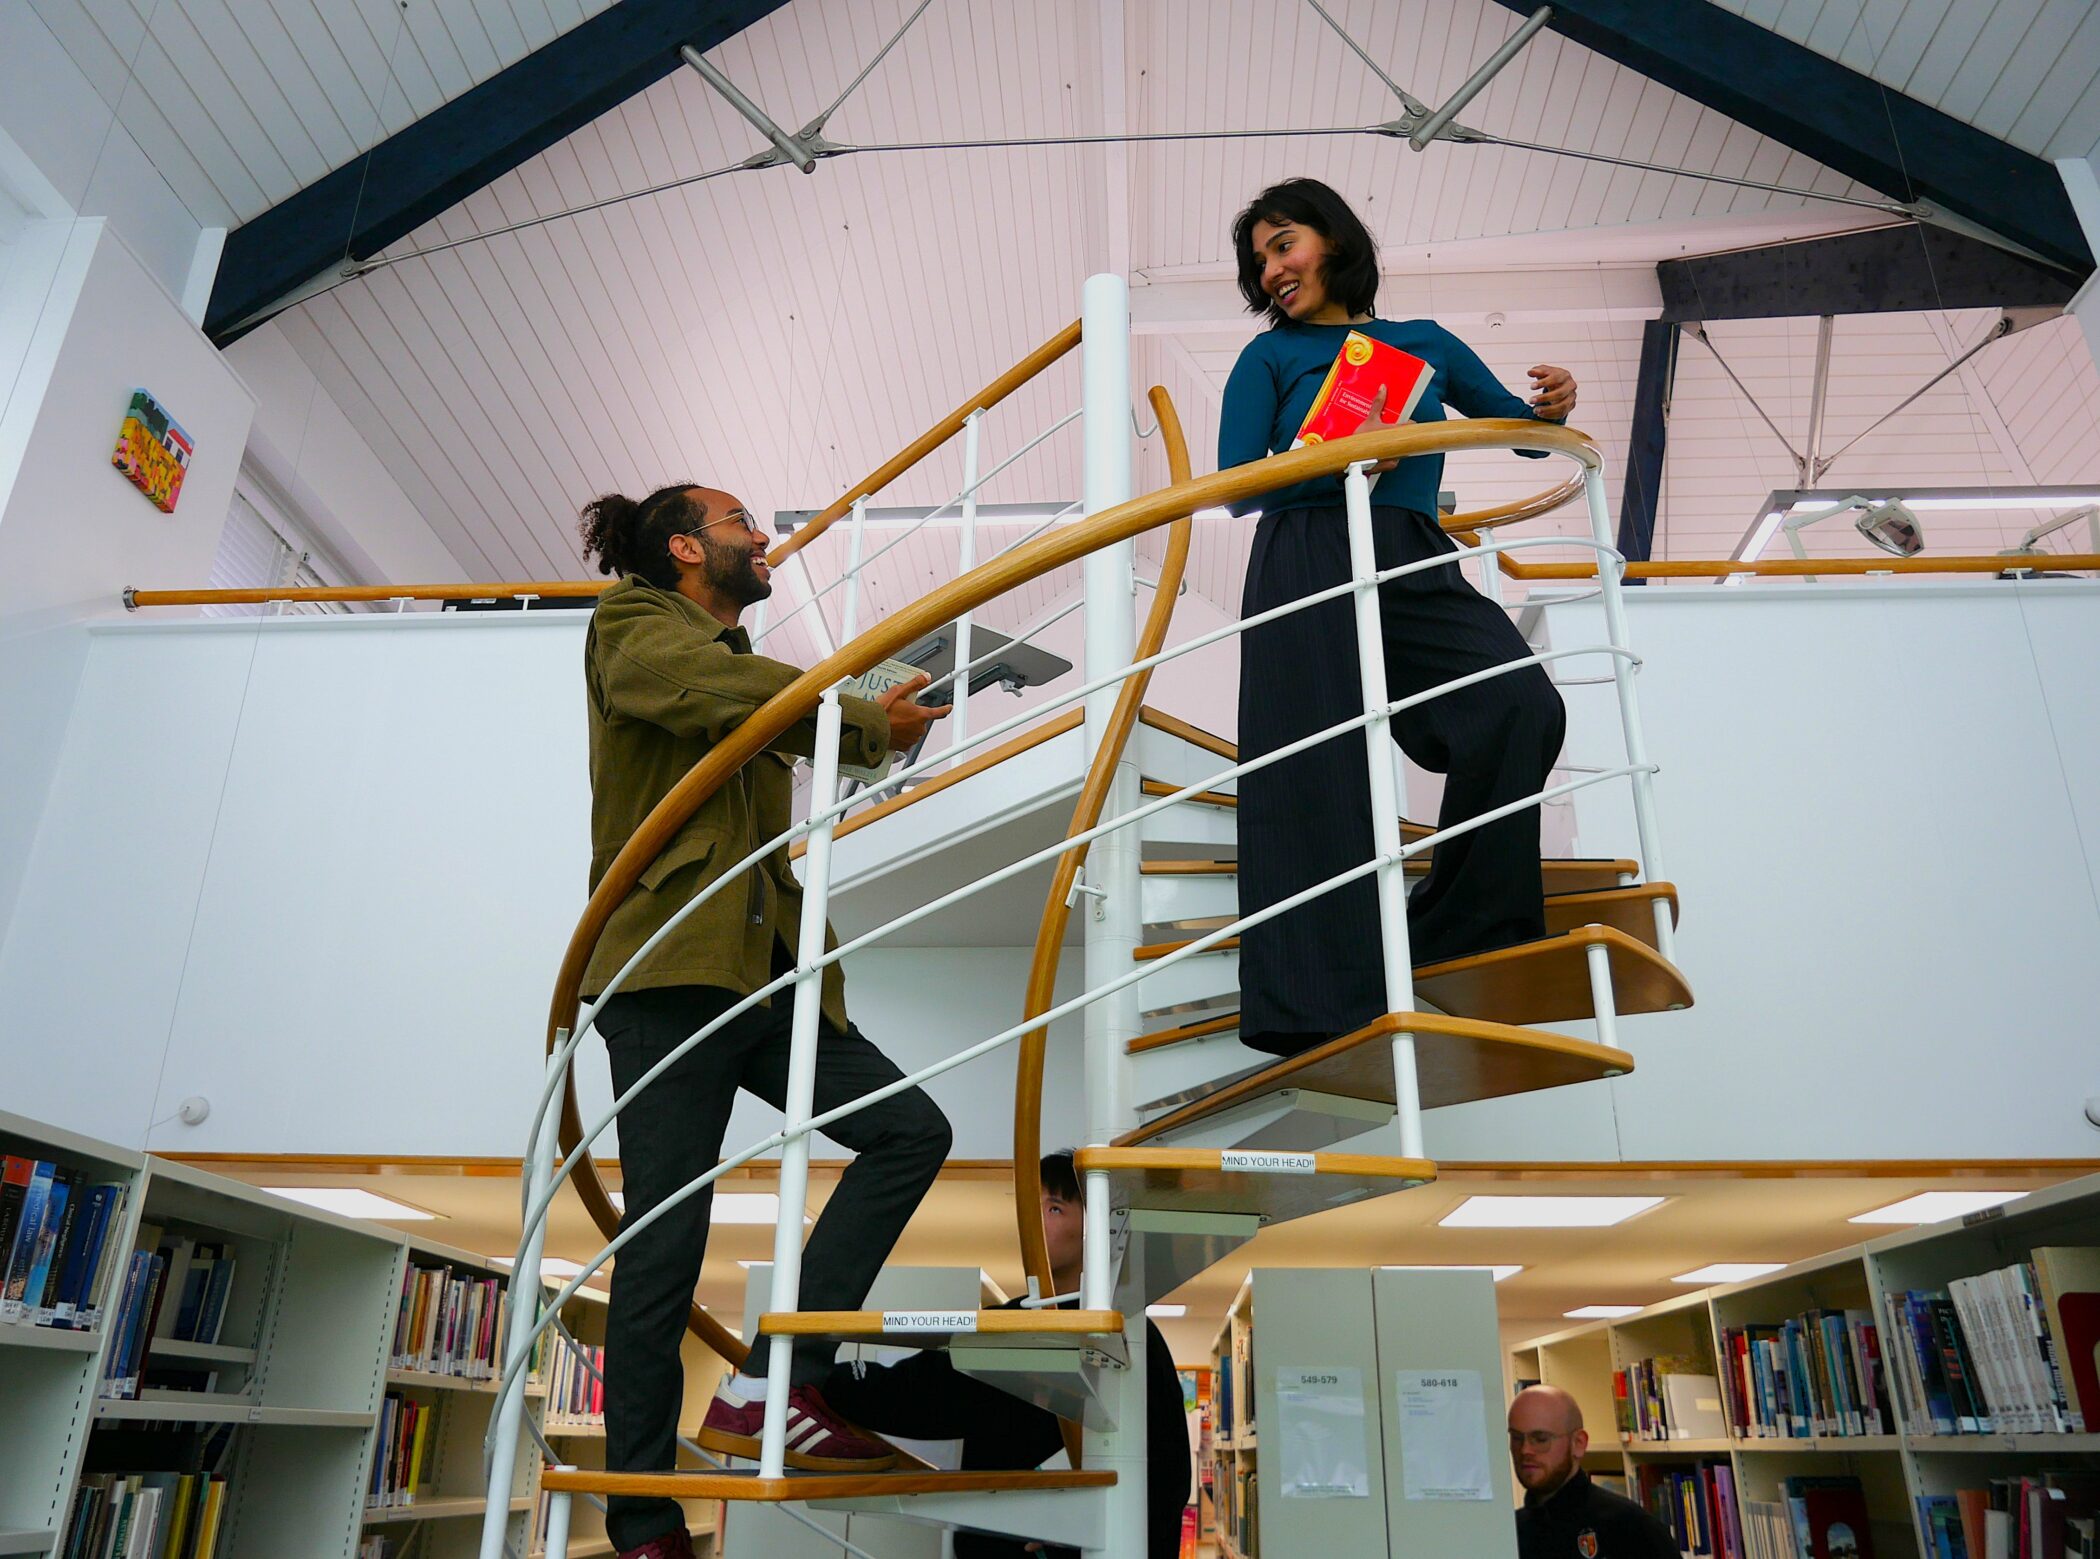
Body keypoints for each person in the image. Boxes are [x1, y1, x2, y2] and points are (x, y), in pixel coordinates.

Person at [577, 482, 955, 1559]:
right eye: (744, 520)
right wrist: (860, 708)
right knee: (665, 1248)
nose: (767, 536)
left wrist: (883, 716)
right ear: (687, 546)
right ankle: (645, 1522)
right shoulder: (632, 625)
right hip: (670, 972)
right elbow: (707, 693)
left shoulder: (754, 677)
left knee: (909, 1129)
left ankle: (777, 1383)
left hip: (770, 973)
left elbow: (808, 730)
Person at [1218, 177, 1579, 1056]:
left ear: (1334, 240)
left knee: (1519, 706)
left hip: (1411, 547)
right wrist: (1340, 457)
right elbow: (1235, 480)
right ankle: (1313, 1004)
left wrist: (1556, 403)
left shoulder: (1424, 343)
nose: (1272, 270)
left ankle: (1463, 928)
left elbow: (1521, 433)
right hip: (1303, 551)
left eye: (1284, 244)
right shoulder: (1266, 358)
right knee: (1311, 772)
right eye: (1260, 259)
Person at [820, 1151, 1192, 1558]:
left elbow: (918, 1396)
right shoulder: (1060, 1325)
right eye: (1029, 1207)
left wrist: (813, 1375)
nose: (1032, 1221)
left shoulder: (1106, 1336)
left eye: (1054, 1208)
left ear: (1099, 1229)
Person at [1509, 1384, 1679, 1559]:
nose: (1525, 1450)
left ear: (1578, 1443)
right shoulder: (1509, 1532)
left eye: (1540, 1439)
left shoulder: (1630, 1527)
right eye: (1516, 1438)